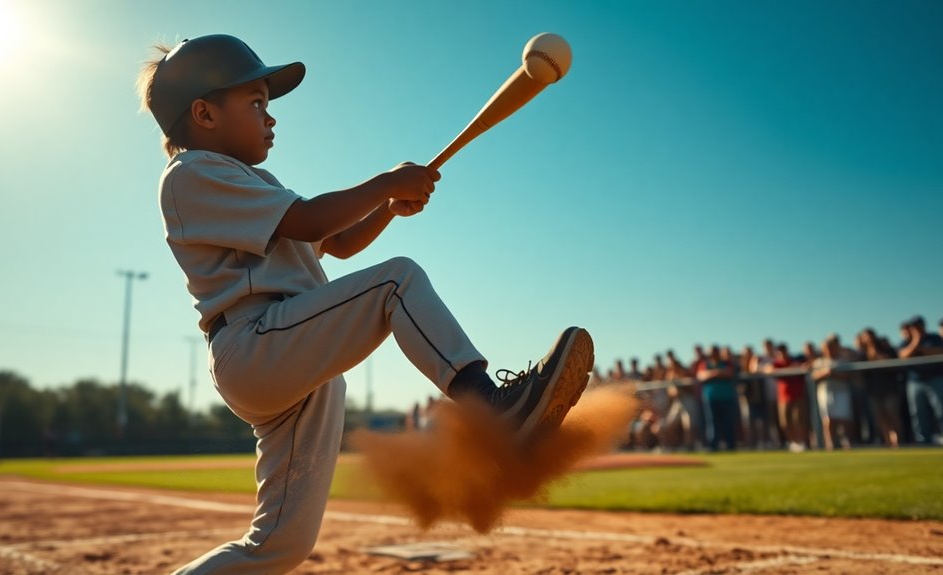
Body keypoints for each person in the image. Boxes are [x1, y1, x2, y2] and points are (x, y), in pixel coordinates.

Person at [138, 35, 594, 575]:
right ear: (203, 113)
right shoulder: (191, 173)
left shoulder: (246, 182)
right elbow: (311, 220)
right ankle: (493, 412)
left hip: (294, 358)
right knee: (395, 283)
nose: (271, 117)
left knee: (278, 547)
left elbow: (338, 242)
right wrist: (383, 183)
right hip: (257, 343)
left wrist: (389, 207)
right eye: (256, 102)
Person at [900, 316, 943, 444]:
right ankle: (923, 441)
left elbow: (941, 351)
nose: (915, 329)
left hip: (937, 378)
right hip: (915, 381)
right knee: (918, 413)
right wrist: (916, 341)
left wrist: (920, 349)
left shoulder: (934, 338)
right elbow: (903, 355)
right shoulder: (906, 341)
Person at [858, 328, 902, 447]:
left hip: (889, 389)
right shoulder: (863, 354)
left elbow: (893, 365)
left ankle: (898, 440)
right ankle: (887, 440)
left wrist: (875, 351)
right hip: (873, 390)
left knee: (892, 413)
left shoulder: (886, 348)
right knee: (879, 417)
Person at [811, 336, 855, 450]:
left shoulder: (842, 361)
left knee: (844, 418)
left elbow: (848, 376)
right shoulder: (819, 362)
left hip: (841, 392)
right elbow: (813, 376)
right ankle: (830, 444)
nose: (829, 350)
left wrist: (834, 374)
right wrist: (825, 373)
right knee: (828, 419)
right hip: (825, 392)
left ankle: (847, 442)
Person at [768, 344, 810, 451]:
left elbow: (806, 366)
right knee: (784, 422)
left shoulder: (796, 360)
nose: (782, 354)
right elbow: (768, 370)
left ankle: (802, 442)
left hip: (798, 396)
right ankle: (793, 443)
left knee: (798, 420)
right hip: (783, 398)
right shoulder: (776, 364)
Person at [696, 346, 739, 451]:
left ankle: (730, 444)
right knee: (712, 422)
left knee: (728, 421)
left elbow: (729, 373)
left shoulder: (727, 363)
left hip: (727, 397)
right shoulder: (704, 364)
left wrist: (712, 374)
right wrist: (718, 373)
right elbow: (701, 376)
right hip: (710, 398)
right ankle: (713, 445)